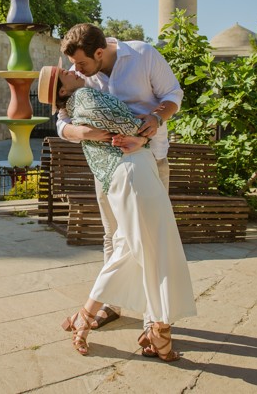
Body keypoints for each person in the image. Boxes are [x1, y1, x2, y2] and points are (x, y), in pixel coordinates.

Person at [38, 65, 196, 359]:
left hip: (131, 172)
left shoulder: (79, 100)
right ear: (62, 89)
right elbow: (129, 125)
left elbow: (119, 127)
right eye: (65, 72)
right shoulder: (85, 95)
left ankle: (87, 317)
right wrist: (145, 134)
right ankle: (158, 333)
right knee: (154, 249)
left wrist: (140, 136)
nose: (71, 69)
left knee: (130, 248)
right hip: (133, 172)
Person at [57, 23, 183, 331]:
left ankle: (153, 321)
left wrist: (156, 117)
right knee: (112, 236)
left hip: (149, 160)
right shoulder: (79, 74)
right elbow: (60, 119)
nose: (77, 70)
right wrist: (78, 131)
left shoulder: (143, 55)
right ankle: (109, 307)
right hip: (106, 168)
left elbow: (173, 94)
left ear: (100, 52)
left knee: (150, 240)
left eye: (82, 63)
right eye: (74, 65)